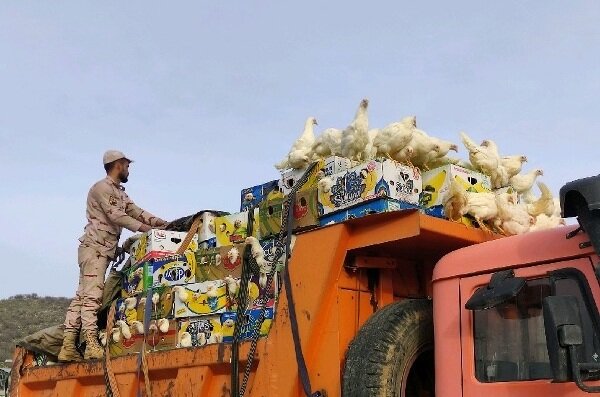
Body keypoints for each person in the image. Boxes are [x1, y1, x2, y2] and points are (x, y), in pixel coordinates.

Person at [58, 150, 168, 362]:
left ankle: (68, 346)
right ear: (118, 164)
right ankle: (90, 345)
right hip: (95, 249)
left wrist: (163, 224)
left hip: (101, 250)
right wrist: (145, 229)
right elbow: (116, 216)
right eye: (127, 165)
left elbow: (136, 211)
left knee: (82, 297)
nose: (128, 169)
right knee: (92, 298)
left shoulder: (120, 193)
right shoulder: (102, 188)